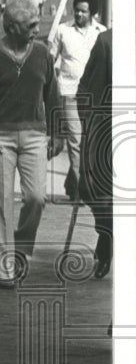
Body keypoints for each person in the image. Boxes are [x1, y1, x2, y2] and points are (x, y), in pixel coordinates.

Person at [0, 0, 62, 287]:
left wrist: (57, 133)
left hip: (35, 136)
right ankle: (3, 267)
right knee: (1, 203)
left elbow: (53, 95)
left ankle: (21, 250)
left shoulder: (43, 54)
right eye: (31, 25)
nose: (38, 29)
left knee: (36, 198)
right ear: (11, 27)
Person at [48, 0, 107, 200]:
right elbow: (50, 58)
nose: (79, 14)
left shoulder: (101, 33)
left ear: (92, 13)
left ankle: (73, 182)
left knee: (89, 140)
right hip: (69, 92)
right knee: (76, 140)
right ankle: (83, 190)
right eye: (77, 10)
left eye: (84, 11)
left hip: (92, 96)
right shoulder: (63, 31)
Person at [77, 28, 113, 279]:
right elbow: (91, 89)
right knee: (95, 190)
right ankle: (107, 234)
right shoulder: (107, 41)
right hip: (110, 128)